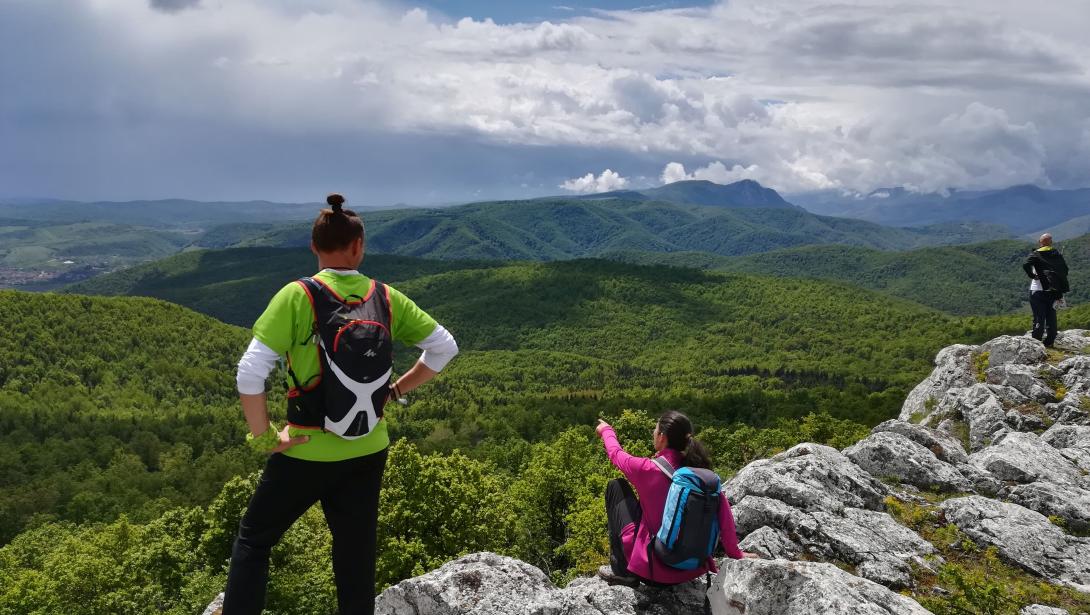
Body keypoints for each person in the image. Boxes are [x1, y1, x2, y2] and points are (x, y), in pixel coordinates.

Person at [223, 194, 458, 615]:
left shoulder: (298, 297)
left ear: (314, 247)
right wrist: (396, 391)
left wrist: (264, 439)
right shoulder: (385, 297)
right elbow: (444, 348)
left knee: (254, 539)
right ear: (359, 247)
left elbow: (249, 373)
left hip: (303, 448)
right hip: (368, 446)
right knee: (355, 553)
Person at [594, 411, 754, 587]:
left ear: (662, 437)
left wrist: (606, 430)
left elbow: (616, 454)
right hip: (689, 571)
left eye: (655, 430)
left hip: (652, 572)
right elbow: (725, 518)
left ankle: (624, 570)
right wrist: (736, 554)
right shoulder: (699, 474)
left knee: (616, 487)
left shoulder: (647, 469)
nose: (653, 434)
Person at [1023, 233, 1069, 348]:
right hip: (1053, 291)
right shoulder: (1057, 254)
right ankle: (1049, 342)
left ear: (1040, 242)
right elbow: (1065, 270)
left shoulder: (1036, 254)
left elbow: (1025, 264)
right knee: (1051, 316)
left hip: (1037, 290)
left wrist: (1032, 276)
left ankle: (1036, 344)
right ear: (1051, 242)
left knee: (1039, 317)